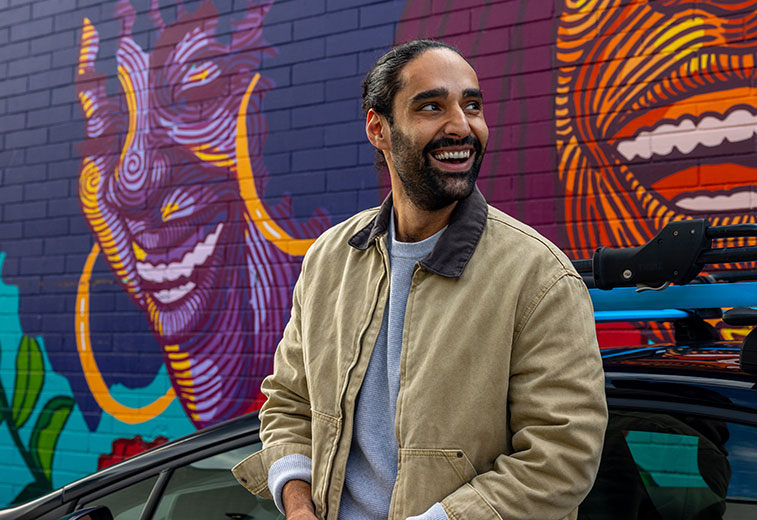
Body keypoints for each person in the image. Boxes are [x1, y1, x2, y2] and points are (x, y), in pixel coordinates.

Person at [231, 40, 608, 519]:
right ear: (379, 129)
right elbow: (289, 404)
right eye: (432, 106)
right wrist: (300, 505)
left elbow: (561, 457)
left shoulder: (538, 276)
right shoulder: (330, 259)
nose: (461, 125)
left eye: (472, 105)